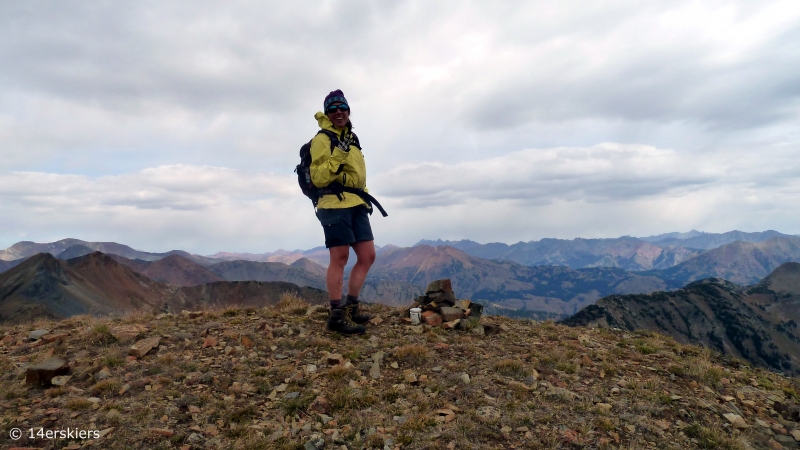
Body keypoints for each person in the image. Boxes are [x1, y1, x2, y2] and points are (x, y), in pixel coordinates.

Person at [310, 89, 375, 336]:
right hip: (333, 204)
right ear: (328, 113)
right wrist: (339, 151)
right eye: (333, 109)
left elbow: (358, 175)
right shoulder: (322, 140)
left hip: (356, 203)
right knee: (340, 258)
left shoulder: (352, 138)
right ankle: (336, 316)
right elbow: (318, 177)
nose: (339, 112)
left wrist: (365, 197)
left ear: (348, 111)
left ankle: (351, 307)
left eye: (342, 108)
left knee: (368, 256)